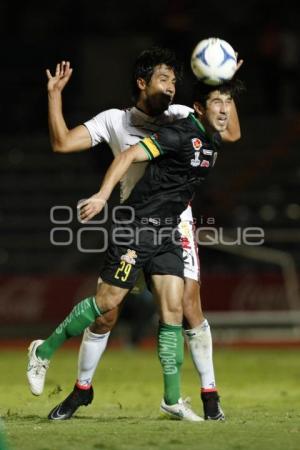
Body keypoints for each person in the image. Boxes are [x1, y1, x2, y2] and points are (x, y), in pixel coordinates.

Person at [27, 48, 242, 421]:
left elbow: (229, 131)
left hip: (175, 222)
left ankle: (203, 396)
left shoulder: (183, 116)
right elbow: (61, 142)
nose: (172, 87)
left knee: (184, 306)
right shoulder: (114, 121)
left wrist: (220, 83)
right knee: (106, 312)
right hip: (133, 220)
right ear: (142, 83)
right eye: (164, 79)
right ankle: (77, 385)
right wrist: (54, 95)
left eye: (176, 81)